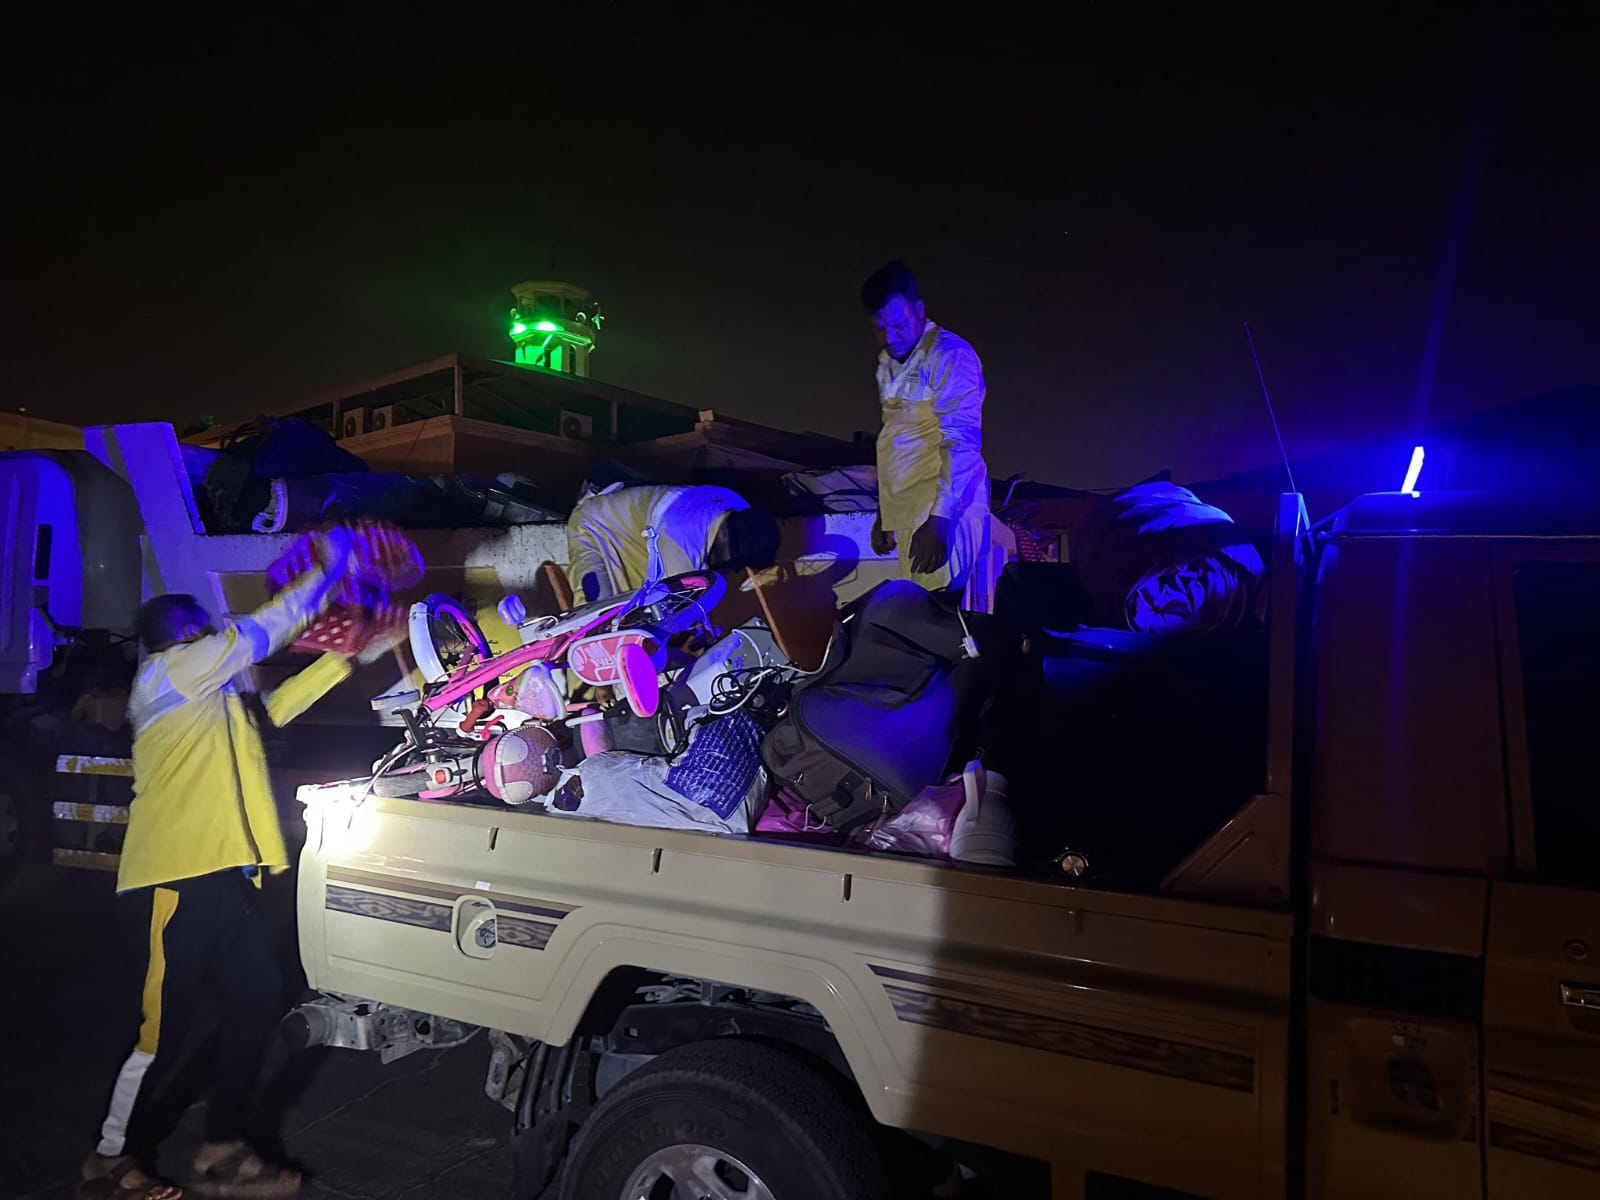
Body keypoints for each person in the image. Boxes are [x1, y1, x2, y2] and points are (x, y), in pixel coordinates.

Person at [80, 531, 399, 1200]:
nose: (213, 633)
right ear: (178, 637)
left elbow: (270, 712)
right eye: (201, 627)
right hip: (174, 880)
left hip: (225, 879)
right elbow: (257, 634)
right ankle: (110, 1157)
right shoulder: (166, 674)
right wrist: (326, 574)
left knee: (256, 999)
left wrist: (345, 657)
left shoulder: (210, 697)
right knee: (160, 1034)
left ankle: (221, 1145)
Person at [862, 261, 992, 595]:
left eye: (898, 325)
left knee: (943, 621)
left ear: (919, 310)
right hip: (911, 518)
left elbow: (961, 441)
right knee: (917, 619)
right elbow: (896, 443)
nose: (890, 338)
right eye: (879, 328)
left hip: (943, 519)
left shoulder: (950, 356)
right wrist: (886, 512)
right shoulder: (887, 366)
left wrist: (941, 520)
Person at [566, 482, 780, 603]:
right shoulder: (680, 545)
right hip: (595, 528)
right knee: (597, 620)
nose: (730, 570)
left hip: (642, 536)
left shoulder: (736, 505)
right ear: (724, 534)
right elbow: (670, 611)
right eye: (732, 560)